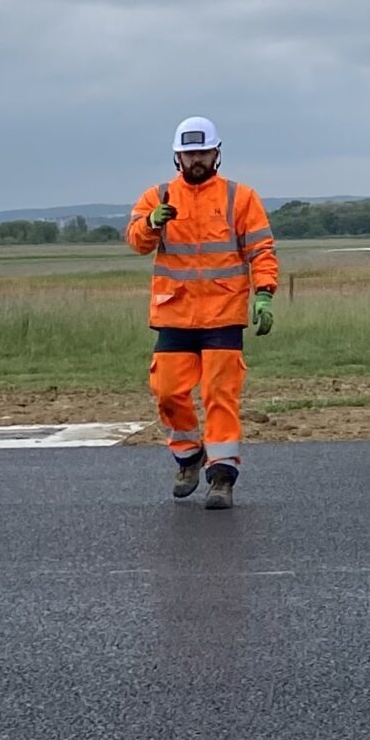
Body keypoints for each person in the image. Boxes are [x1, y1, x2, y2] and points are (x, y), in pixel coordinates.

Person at [126, 117, 278, 509]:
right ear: (177, 157)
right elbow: (137, 243)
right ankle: (189, 456)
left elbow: (261, 250)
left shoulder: (240, 197)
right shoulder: (157, 196)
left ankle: (222, 477)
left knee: (219, 395)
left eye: (203, 153)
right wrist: (150, 224)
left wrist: (264, 293)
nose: (197, 160)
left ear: (216, 154)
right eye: (189, 154)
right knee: (168, 393)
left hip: (224, 314)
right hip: (174, 313)